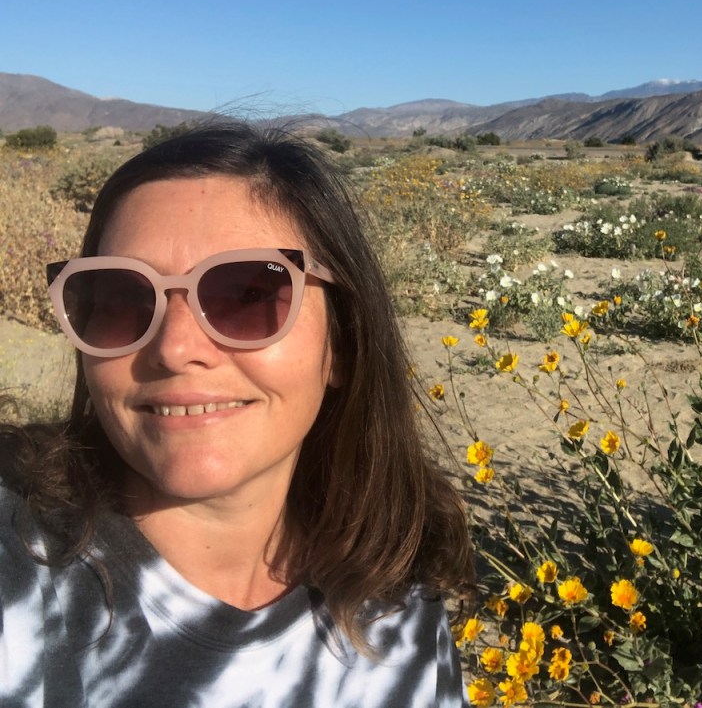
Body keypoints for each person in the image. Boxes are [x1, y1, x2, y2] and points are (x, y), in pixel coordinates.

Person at [0, 121, 475, 707]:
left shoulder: (399, 596)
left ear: (343, 344)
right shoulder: (19, 573)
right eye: (124, 299)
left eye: (246, 294)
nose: (175, 348)